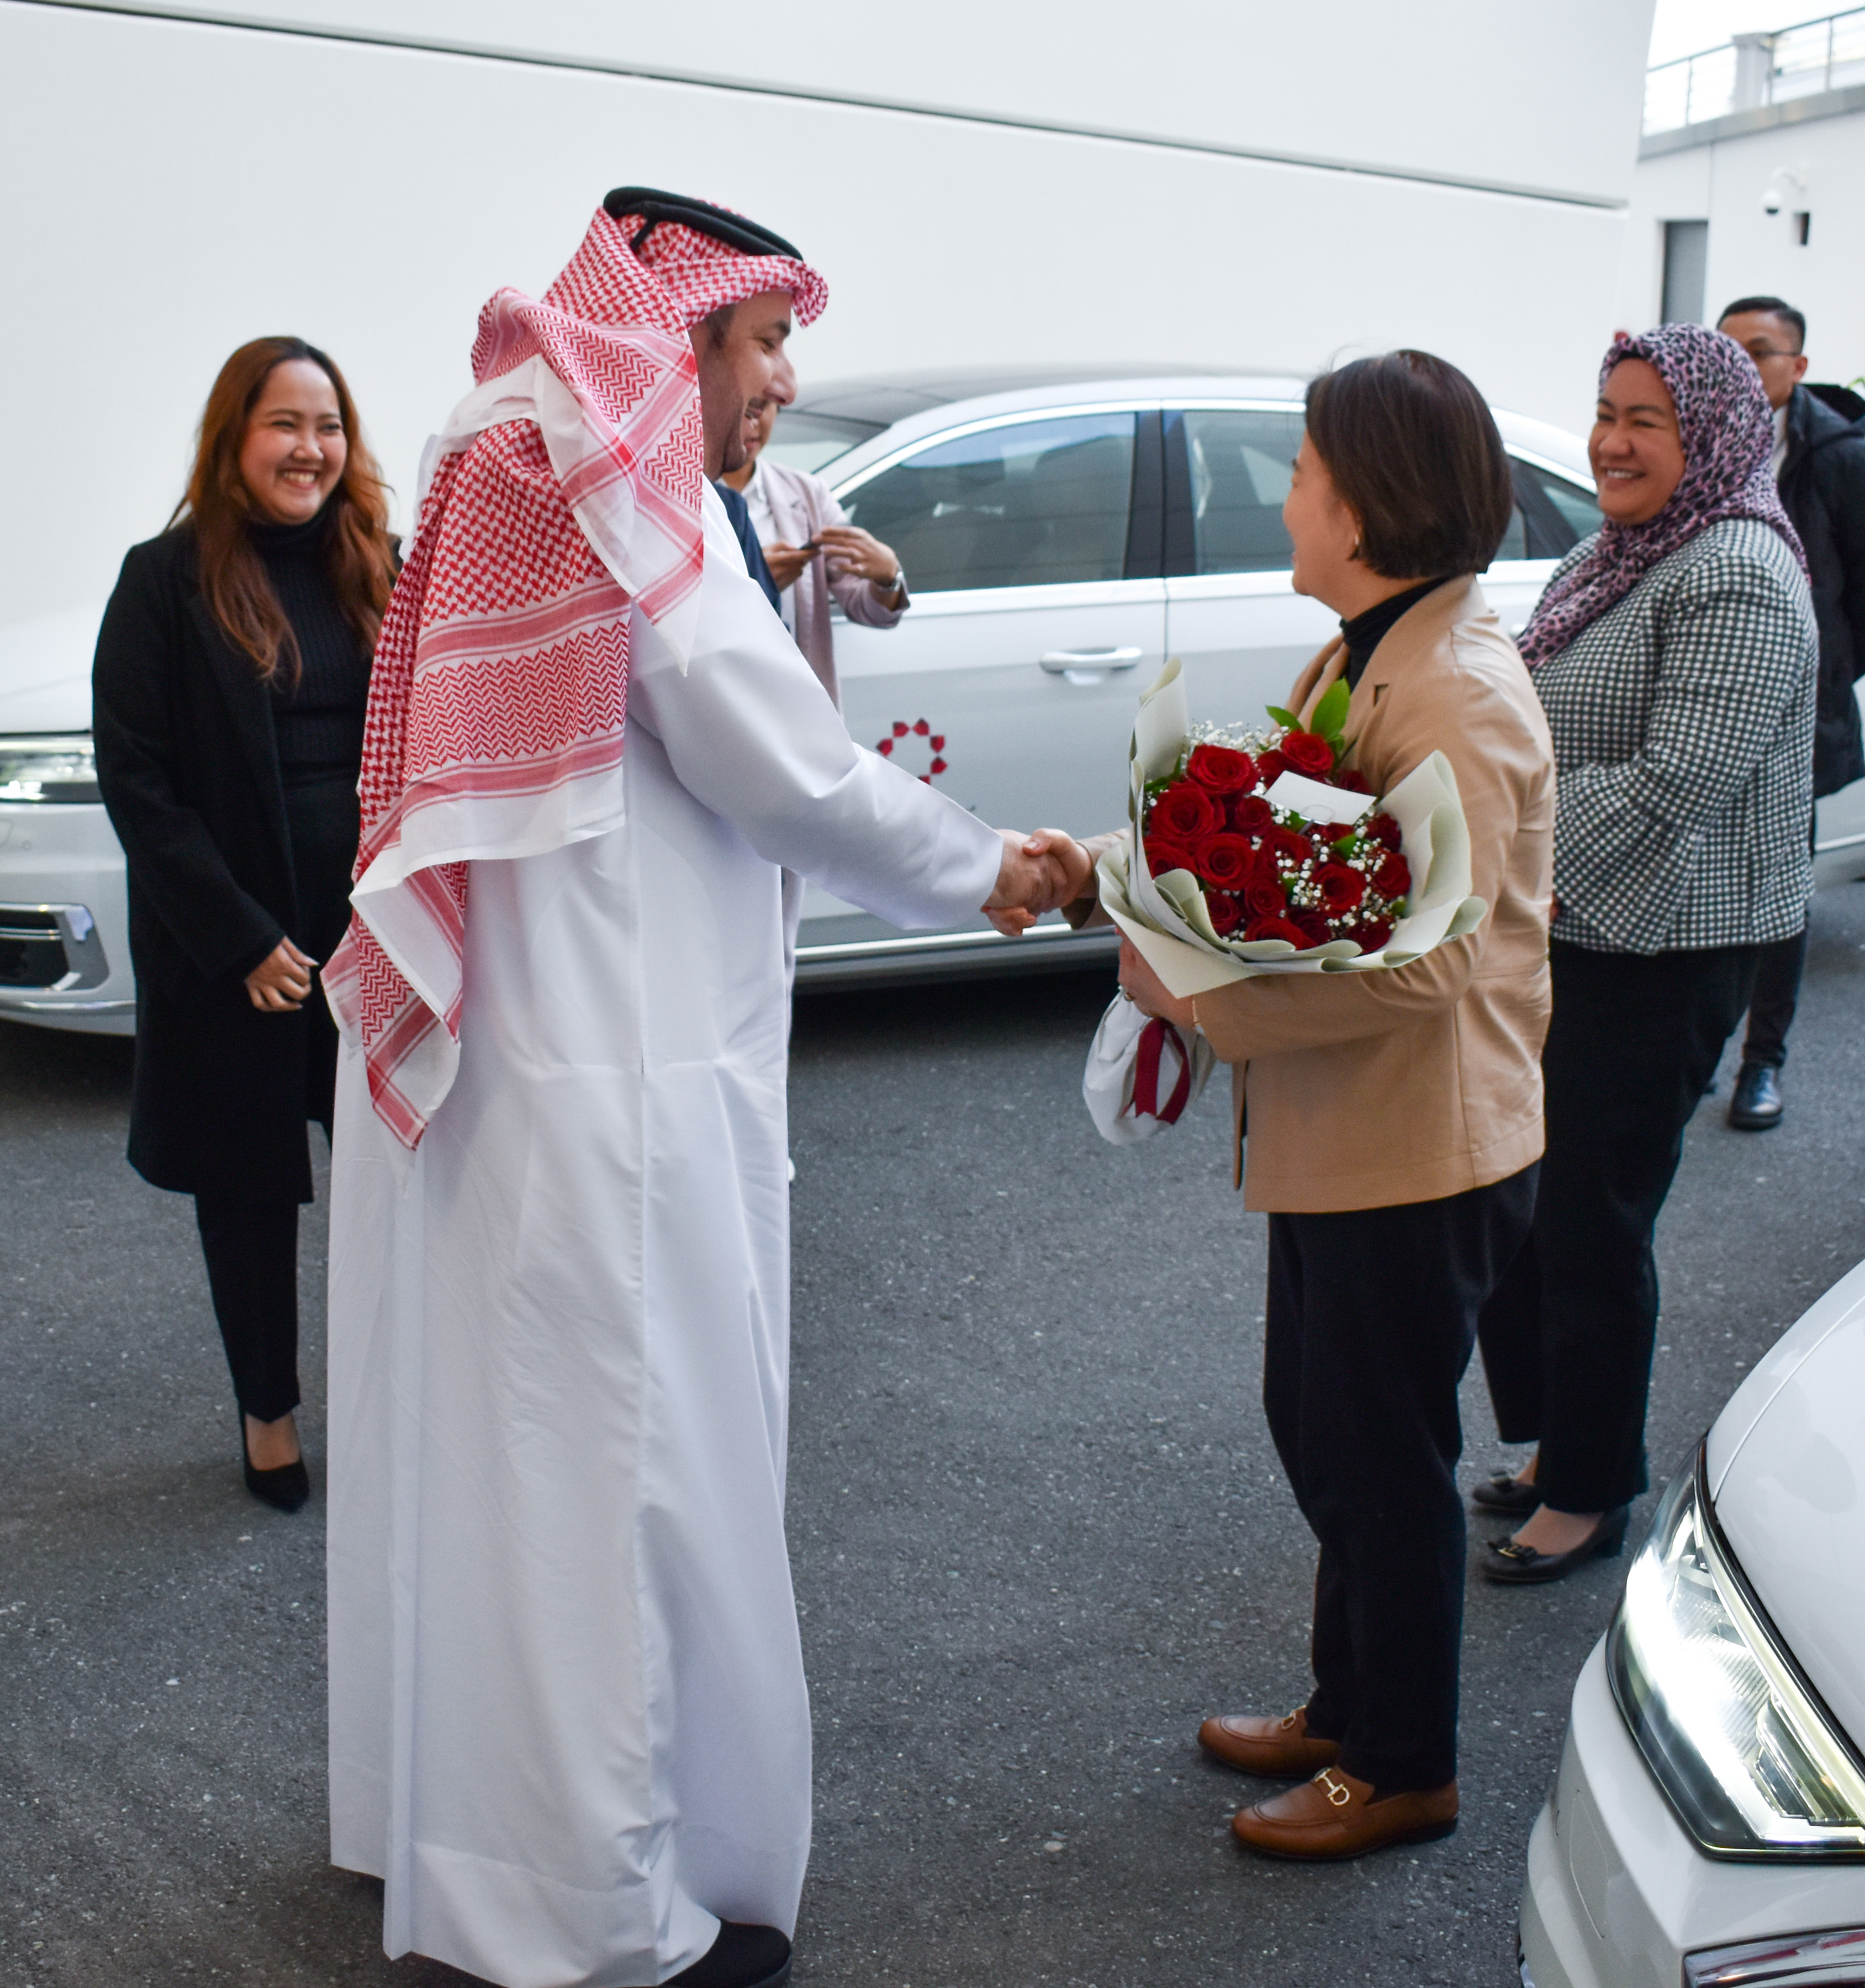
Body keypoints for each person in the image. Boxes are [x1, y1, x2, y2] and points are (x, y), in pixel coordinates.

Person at [321, 188, 1086, 1988]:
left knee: (491, 1471)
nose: (786, 375)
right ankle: (609, 1909)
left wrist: (813, 552)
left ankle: (460, 1843)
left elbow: (726, 623)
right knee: (626, 1489)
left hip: (514, 1069)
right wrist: (994, 870)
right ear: (676, 339)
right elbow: (783, 768)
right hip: (618, 1082)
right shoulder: (605, 480)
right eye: (763, 340)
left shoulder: (504, 439)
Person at [1106, 352, 1555, 1860]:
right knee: (1323, 1424)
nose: (1285, 492)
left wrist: (1200, 996)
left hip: (1418, 1147)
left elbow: (1427, 971)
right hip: (1349, 1134)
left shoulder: (1455, 697)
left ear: (1364, 504)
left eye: (1301, 467)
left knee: (1377, 1454)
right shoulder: (1372, 646)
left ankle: (1404, 1763)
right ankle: (1343, 1703)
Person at [1472, 323, 1816, 1580]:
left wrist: (1488, 839)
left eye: (1646, 421)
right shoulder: (1622, 549)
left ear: (1713, 438)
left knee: (1589, 1222)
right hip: (1576, 926)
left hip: (1661, 942)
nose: (1610, 442)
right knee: (1526, 1203)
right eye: (1605, 411)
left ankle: (1590, 1489)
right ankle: (1558, 1440)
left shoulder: (1732, 571)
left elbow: (1678, 785)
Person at [92, 336, 396, 1514]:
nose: (310, 449)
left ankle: (393, 1398)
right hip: (241, 947)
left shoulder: (381, 567)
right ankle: (267, 1415)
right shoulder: (162, 582)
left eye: (328, 426)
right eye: (285, 424)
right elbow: (140, 779)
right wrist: (239, 938)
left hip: (372, 932)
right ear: (234, 439)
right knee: (252, 1194)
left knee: (393, 1184)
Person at [1715, 295, 1865, 1130]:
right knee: (1704, 885)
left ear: (1797, 367)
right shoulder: (1695, 443)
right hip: (1706, 708)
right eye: (1727, 349)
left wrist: (1826, 668)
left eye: (1761, 352)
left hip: (1797, 720)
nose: (1742, 366)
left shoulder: (1838, 456)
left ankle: (1760, 1062)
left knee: (1777, 894)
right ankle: (1701, 1043)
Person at [722, 396, 909, 707]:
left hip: (795, 699)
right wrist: (754, 580)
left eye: (761, 408)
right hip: (727, 693)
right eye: (741, 409)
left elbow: (869, 609)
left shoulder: (807, 494)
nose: (752, 423)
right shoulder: (684, 492)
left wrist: (888, 576)